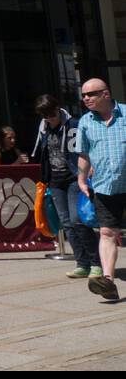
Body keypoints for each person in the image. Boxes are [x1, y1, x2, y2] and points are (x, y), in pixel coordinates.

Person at [31, 95, 100, 281]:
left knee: (78, 220)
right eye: (45, 115)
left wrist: (87, 170)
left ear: (58, 108)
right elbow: (42, 153)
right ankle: (82, 263)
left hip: (73, 178)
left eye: (51, 113)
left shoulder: (74, 124)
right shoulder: (44, 128)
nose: (50, 117)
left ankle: (96, 263)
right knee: (66, 223)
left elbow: (86, 147)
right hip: (55, 180)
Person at [76, 77, 126, 301]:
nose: (86, 98)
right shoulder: (85, 122)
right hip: (105, 187)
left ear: (105, 94)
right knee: (107, 232)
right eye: (84, 95)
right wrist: (82, 179)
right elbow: (84, 154)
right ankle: (107, 281)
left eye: (91, 94)